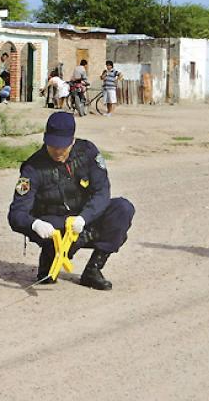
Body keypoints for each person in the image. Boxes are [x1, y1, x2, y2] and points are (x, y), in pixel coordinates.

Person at [8, 112, 135, 290]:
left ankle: (93, 270)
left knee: (122, 208)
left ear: (72, 141)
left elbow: (102, 192)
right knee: (50, 256)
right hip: (54, 223)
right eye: (53, 146)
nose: (57, 151)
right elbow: (16, 213)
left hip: (82, 218)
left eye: (62, 146)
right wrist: (35, 224)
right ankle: (50, 256)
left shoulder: (88, 153)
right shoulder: (33, 168)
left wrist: (84, 217)